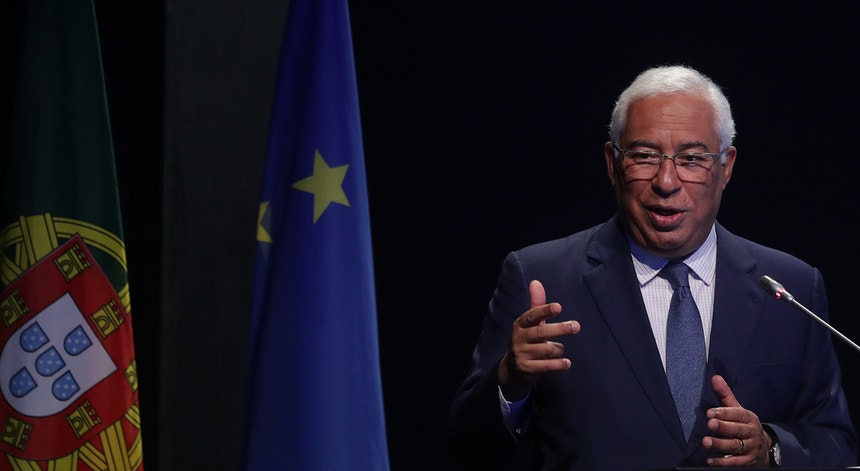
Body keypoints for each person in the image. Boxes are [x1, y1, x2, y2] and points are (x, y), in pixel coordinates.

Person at [448, 65, 857, 470]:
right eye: (644, 156)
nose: (666, 181)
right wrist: (510, 381)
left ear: (726, 166)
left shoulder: (791, 288)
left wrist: (770, 449)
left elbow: (836, 443)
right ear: (612, 163)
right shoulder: (542, 277)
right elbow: (467, 445)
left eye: (691, 159)